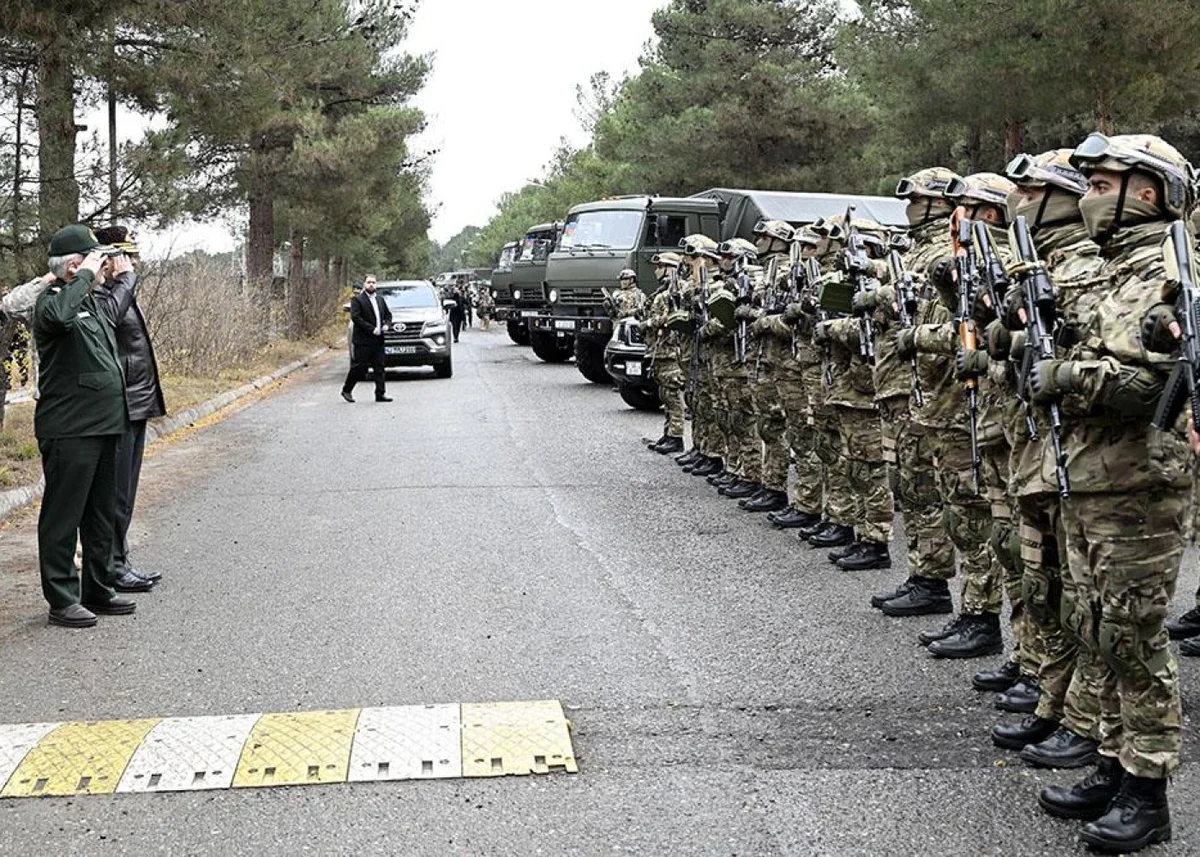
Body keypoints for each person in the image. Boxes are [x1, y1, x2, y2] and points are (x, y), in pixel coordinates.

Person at [1034, 132, 1194, 852]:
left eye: (1102, 183)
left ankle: (1148, 790)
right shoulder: (1111, 269)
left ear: (1148, 193)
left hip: (1138, 485)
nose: (1089, 196)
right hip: (1090, 474)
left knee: (1133, 637)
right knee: (1097, 626)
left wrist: (1065, 377)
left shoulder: (1171, 273)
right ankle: (1109, 760)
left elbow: (1159, 383)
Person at [33, 225, 132, 628]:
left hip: (105, 424)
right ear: (73, 266)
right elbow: (58, 315)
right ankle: (61, 598)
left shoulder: (89, 303)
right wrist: (83, 275)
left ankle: (98, 586)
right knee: (63, 514)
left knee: (100, 513)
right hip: (70, 428)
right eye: (94, 259)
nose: (103, 265)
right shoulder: (52, 302)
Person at [92, 226, 165, 593]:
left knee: (126, 491)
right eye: (126, 257)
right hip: (119, 404)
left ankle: (120, 560)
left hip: (135, 402)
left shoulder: (119, 290)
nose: (131, 264)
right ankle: (112, 567)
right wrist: (124, 280)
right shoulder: (102, 293)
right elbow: (108, 318)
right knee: (115, 494)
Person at [342, 274, 393, 403]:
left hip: (378, 340)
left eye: (374, 282)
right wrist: (372, 329)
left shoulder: (380, 300)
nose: (371, 284)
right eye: (369, 282)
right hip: (363, 341)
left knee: (379, 367)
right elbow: (356, 318)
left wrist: (387, 325)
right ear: (364, 284)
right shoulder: (357, 300)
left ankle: (380, 394)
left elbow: (388, 315)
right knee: (359, 367)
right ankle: (347, 390)